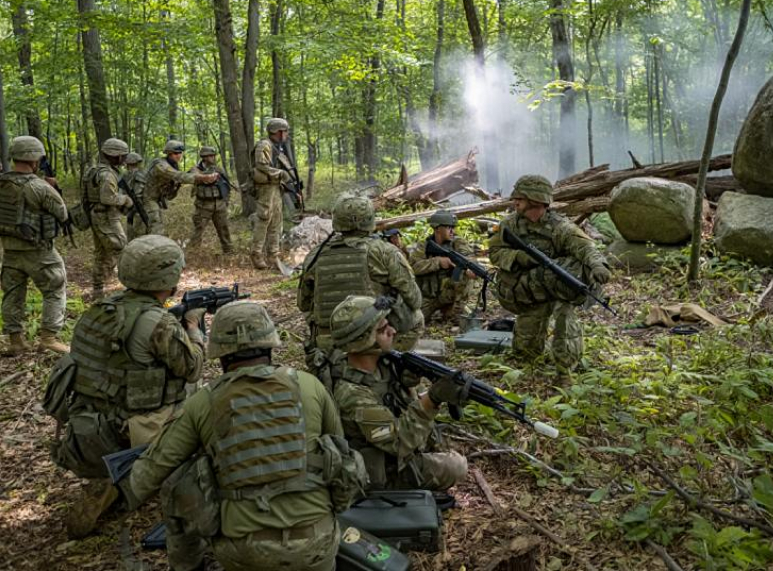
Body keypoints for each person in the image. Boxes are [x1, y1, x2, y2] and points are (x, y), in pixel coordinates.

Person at [122, 300, 366, 571]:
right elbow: (341, 453)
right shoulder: (311, 386)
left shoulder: (203, 402)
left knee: (179, 477)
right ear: (270, 346)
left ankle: (188, 567)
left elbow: (149, 474)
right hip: (315, 545)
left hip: (244, 552)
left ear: (221, 355)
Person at [52, 235, 205, 538]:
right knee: (199, 396)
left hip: (88, 425)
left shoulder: (99, 311)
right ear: (168, 276)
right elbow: (193, 367)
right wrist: (193, 329)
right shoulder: (158, 322)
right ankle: (140, 477)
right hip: (129, 428)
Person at [329, 295, 468, 491]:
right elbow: (399, 441)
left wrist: (407, 386)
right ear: (363, 341)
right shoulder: (353, 394)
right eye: (382, 330)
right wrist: (432, 399)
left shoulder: (382, 364)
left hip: (397, 455)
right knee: (456, 467)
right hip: (382, 472)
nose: (392, 331)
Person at [488, 174, 611, 369]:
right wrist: (519, 257)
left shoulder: (559, 227)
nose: (515, 202)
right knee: (525, 350)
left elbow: (585, 247)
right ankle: (528, 365)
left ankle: (565, 367)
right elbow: (494, 252)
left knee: (564, 318)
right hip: (530, 288)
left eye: (520, 199)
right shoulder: (510, 225)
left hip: (557, 288)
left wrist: (598, 265)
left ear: (535, 200)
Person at [297, 193, 423, 353]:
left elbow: (303, 304)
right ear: (370, 219)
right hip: (371, 338)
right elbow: (415, 300)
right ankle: (390, 358)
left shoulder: (315, 254)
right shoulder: (384, 251)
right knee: (417, 317)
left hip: (329, 342)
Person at [0, 136, 69, 354]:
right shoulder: (39, 187)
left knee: (12, 293)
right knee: (55, 289)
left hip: (9, 250)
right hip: (39, 251)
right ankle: (49, 338)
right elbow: (63, 213)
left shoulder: (2, 183)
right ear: (34, 160)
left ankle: (15, 340)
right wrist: (53, 188)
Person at [82, 138, 134, 299]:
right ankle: (133, 288)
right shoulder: (106, 175)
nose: (125, 160)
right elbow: (108, 198)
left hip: (98, 216)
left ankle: (98, 290)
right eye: (123, 156)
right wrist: (125, 199)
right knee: (122, 251)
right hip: (106, 218)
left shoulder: (94, 170)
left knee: (102, 253)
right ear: (115, 156)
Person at [131, 140, 218, 238]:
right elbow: (178, 176)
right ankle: (154, 245)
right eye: (176, 153)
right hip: (148, 199)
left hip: (157, 199)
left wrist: (197, 172)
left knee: (152, 223)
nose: (179, 155)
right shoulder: (160, 165)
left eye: (180, 153)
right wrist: (202, 178)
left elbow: (181, 177)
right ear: (168, 153)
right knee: (155, 224)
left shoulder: (173, 164)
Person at [409, 210, 478, 325]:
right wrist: (437, 262)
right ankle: (443, 311)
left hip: (447, 294)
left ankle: (456, 311)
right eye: (448, 227)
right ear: (437, 229)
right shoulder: (424, 246)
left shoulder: (458, 242)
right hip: (427, 297)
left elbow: (469, 257)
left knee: (464, 276)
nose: (452, 231)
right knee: (415, 322)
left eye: (453, 227)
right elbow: (413, 268)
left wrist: (471, 268)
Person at [250, 118, 299, 269]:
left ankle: (274, 254)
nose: (287, 134)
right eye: (285, 131)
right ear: (278, 132)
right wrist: (281, 173)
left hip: (276, 187)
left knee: (277, 221)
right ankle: (256, 254)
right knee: (264, 219)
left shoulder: (278, 147)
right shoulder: (264, 145)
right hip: (266, 188)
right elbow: (261, 165)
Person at [188, 146, 234, 255]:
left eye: (213, 155)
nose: (212, 158)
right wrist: (207, 176)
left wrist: (225, 201)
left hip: (219, 204)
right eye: (210, 156)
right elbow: (194, 176)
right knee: (198, 230)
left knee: (224, 229)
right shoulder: (195, 169)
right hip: (203, 205)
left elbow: (227, 186)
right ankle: (192, 253)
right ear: (204, 157)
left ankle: (229, 251)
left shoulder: (219, 169)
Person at [122, 152, 144, 240]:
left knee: (132, 234)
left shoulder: (125, 175)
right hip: (137, 208)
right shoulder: (139, 174)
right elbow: (138, 195)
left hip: (131, 208)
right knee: (139, 235)